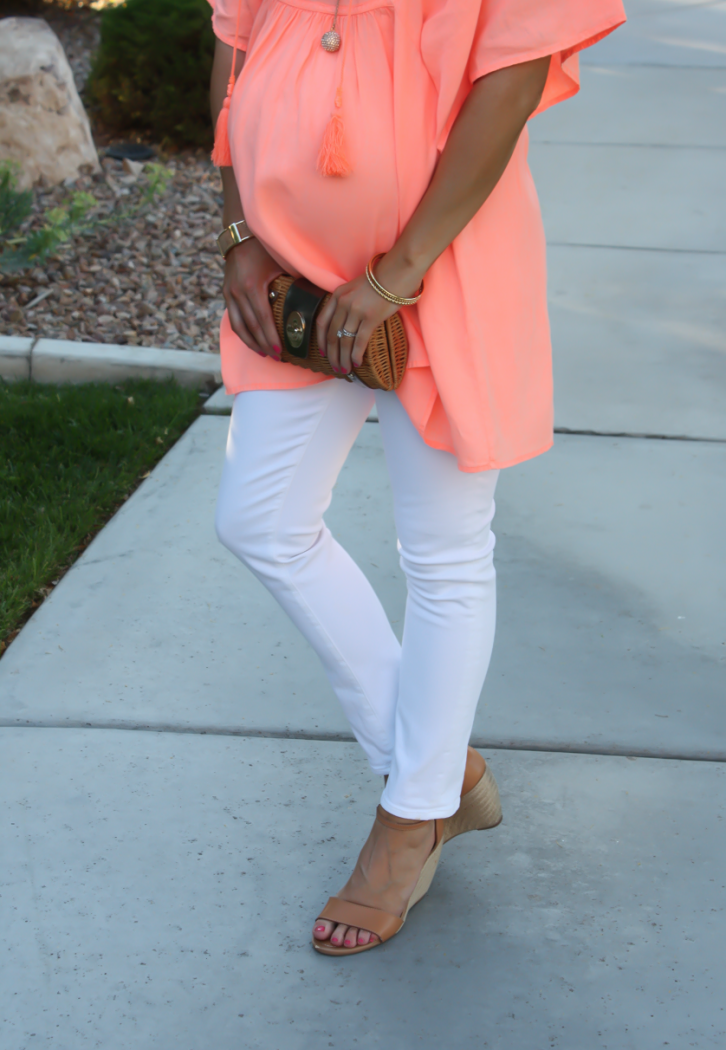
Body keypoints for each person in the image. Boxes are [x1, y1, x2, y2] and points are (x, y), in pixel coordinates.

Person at [209, 0, 625, 956]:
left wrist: (397, 274)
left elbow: (510, 73)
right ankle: (433, 772)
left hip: (445, 257)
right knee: (260, 517)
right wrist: (236, 228)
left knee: (441, 548)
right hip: (294, 269)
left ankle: (410, 821)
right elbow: (233, 38)